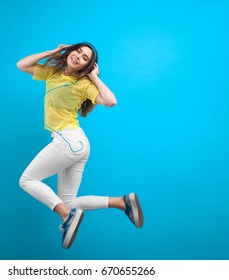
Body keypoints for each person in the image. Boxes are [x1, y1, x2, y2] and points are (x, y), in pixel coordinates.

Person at [17, 42, 143, 249]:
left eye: (85, 58)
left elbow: (111, 101)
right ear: (69, 51)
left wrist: (93, 76)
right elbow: (21, 65)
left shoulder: (84, 84)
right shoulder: (52, 73)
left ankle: (66, 216)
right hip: (75, 143)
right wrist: (52, 52)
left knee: (27, 180)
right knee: (69, 202)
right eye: (78, 51)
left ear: (88, 66)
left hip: (68, 140)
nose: (78, 57)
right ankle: (122, 202)